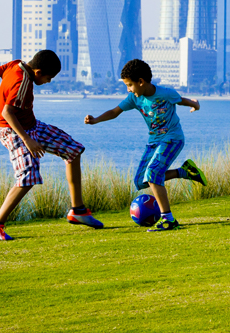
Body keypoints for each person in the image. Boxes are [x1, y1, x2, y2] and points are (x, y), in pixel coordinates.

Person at [0, 50, 103, 240]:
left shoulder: (15, 64)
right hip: (13, 131)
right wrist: (27, 140)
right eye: (49, 78)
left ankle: (78, 210)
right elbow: (7, 113)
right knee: (28, 176)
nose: (49, 81)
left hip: (32, 125)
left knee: (73, 150)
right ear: (38, 72)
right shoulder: (22, 81)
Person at [84, 59, 207, 231]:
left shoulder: (165, 93)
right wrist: (96, 120)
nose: (128, 89)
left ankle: (168, 219)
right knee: (141, 182)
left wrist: (195, 105)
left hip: (173, 139)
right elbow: (114, 112)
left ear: (141, 82)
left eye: (129, 85)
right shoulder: (134, 98)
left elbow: (183, 100)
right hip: (154, 142)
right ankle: (184, 171)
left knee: (153, 173)